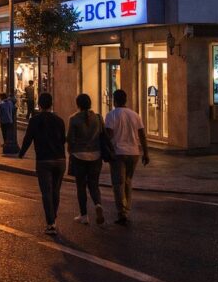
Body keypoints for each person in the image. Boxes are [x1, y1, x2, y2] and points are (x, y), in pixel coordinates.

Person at [18, 92, 66, 235]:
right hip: (60, 159)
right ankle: (53, 217)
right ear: (51, 104)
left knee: (46, 192)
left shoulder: (35, 120)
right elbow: (63, 139)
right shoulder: (59, 120)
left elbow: (28, 138)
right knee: (56, 191)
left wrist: (21, 153)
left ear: (39, 104)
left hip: (44, 160)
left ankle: (51, 223)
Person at [104, 89, 150, 226]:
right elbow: (142, 135)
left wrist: (106, 149)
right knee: (128, 181)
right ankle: (127, 209)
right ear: (126, 100)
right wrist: (146, 153)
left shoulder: (111, 115)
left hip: (118, 152)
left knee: (118, 183)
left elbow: (109, 134)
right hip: (134, 153)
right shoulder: (135, 115)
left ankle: (122, 212)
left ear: (114, 100)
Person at [67, 93, 105, 226]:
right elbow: (102, 135)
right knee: (94, 184)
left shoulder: (74, 119)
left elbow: (70, 138)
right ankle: (98, 204)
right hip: (96, 155)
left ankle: (84, 216)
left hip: (79, 155)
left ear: (78, 104)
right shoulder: (98, 118)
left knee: (81, 186)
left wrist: (70, 151)